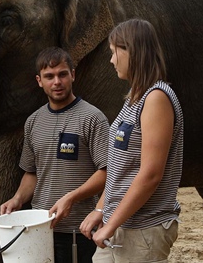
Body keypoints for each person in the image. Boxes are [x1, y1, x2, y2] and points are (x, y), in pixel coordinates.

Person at [80, 19, 184, 263]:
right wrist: (100, 210)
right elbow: (120, 169)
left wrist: (110, 223)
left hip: (143, 230)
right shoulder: (134, 98)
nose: (112, 60)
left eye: (114, 52)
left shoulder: (157, 98)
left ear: (132, 52)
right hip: (118, 225)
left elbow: (150, 174)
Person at [0, 47, 110, 263]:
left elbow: (107, 173)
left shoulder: (93, 118)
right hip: (39, 229)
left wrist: (71, 197)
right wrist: (17, 198)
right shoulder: (33, 122)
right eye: (49, 77)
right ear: (39, 81)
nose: (57, 82)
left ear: (73, 75)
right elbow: (32, 173)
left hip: (80, 230)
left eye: (62, 74)